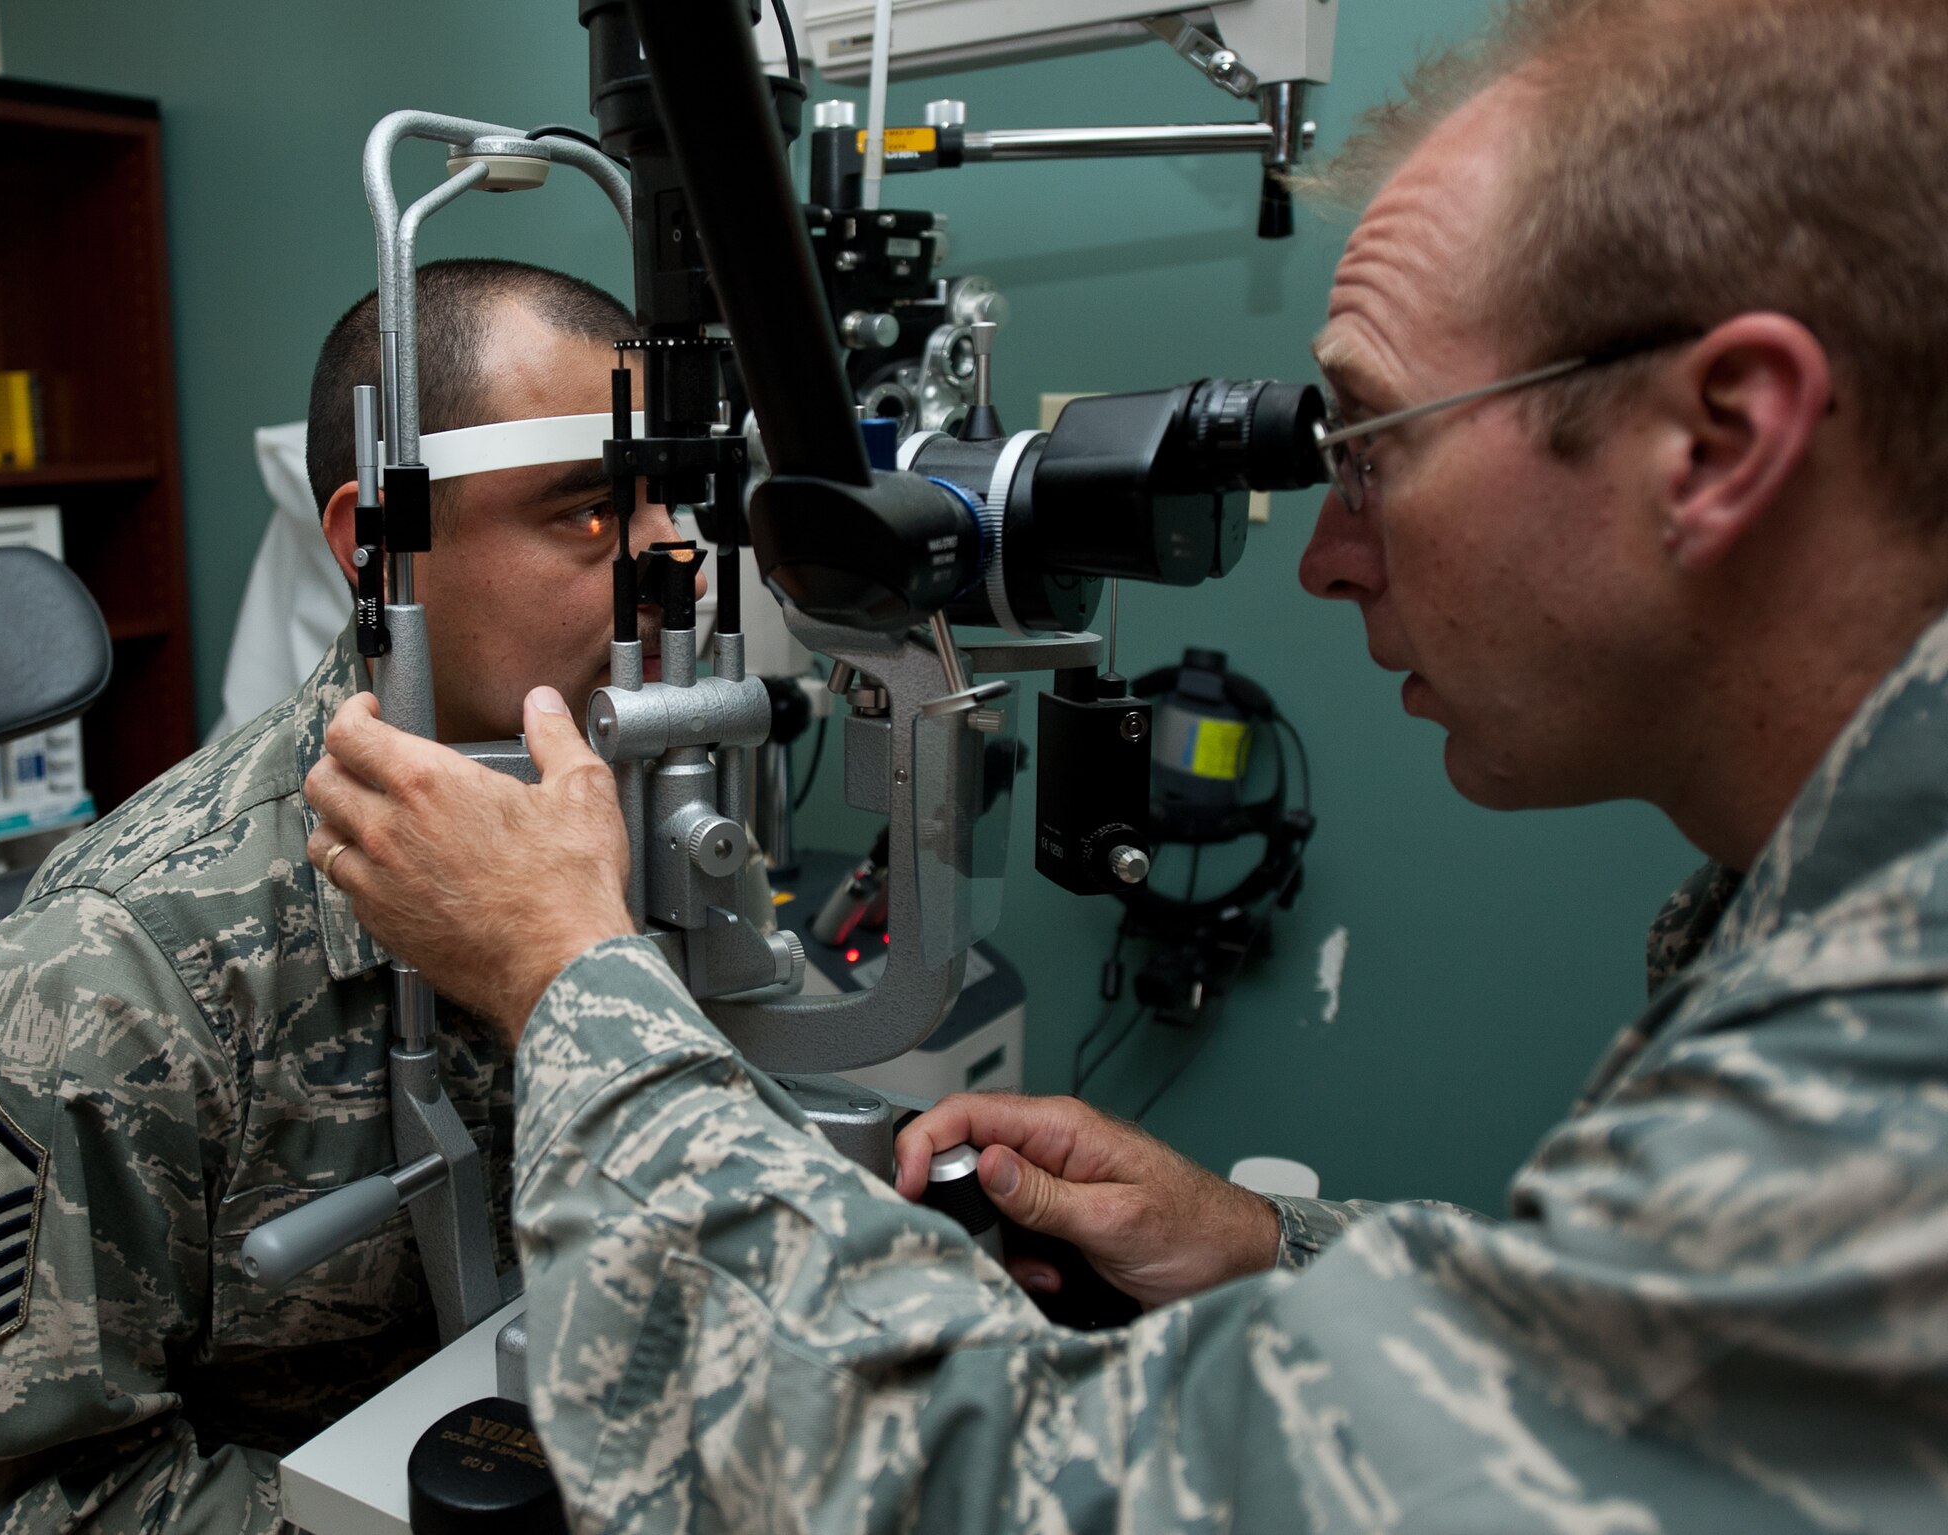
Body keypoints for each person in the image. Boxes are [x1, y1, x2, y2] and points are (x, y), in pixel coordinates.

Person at [306, 0, 1948, 1527]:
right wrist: (1266, 1247)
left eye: (1371, 449)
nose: (1327, 561)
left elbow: (982, 1488)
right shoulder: (1833, 920)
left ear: (1720, 439)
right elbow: (1603, 1341)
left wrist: (567, 976)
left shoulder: (1891, 1062)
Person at [0, 258, 689, 1533]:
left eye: (671, 497)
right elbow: (21, 1497)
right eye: (590, 508)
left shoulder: (646, 816)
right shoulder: (118, 974)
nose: (670, 549)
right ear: (376, 547)